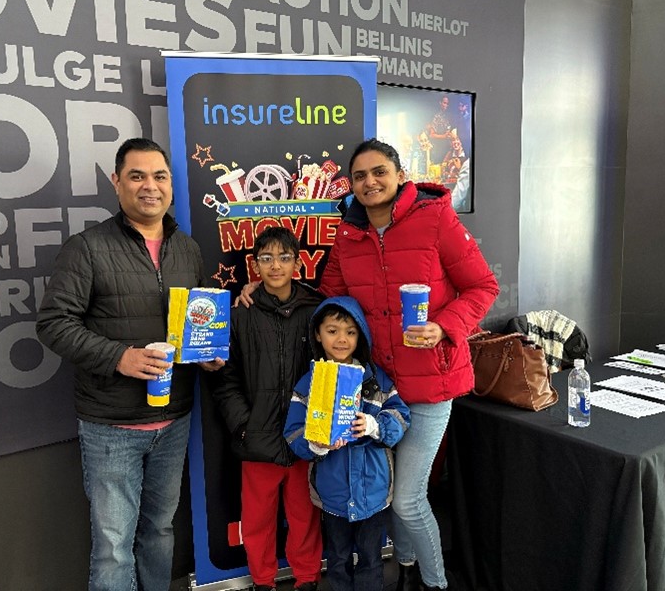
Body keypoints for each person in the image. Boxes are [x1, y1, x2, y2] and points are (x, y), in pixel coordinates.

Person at [241, 138, 499, 590]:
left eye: (379, 171)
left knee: (406, 499)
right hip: (374, 384)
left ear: (400, 175)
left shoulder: (435, 217)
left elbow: (483, 286)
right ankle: (403, 569)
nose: (369, 182)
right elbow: (329, 299)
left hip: (430, 383)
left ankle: (435, 582)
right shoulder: (348, 232)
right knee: (387, 495)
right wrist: (259, 293)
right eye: (359, 176)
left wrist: (443, 327)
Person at [36, 137, 224, 591]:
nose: (149, 187)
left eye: (159, 176)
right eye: (136, 176)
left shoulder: (188, 249)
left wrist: (208, 356)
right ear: (117, 182)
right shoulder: (87, 247)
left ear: (171, 185)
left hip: (174, 417)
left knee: (159, 531)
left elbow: (196, 321)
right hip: (111, 426)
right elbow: (53, 323)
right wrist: (119, 357)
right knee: (113, 545)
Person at [211, 227, 324, 591]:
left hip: (302, 436)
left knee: (304, 515)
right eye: (266, 258)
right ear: (254, 264)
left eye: (284, 257)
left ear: (298, 263)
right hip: (256, 436)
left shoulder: (315, 309)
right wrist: (243, 424)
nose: (275, 266)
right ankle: (263, 581)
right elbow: (225, 378)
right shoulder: (241, 311)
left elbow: (330, 368)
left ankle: (306, 578)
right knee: (257, 518)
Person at [284, 296, 410, 591]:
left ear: (361, 335)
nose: (342, 339)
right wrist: (315, 444)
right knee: (337, 559)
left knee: (371, 559)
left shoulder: (376, 380)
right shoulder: (309, 384)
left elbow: (401, 418)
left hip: (374, 491)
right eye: (332, 331)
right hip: (332, 494)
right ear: (318, 333)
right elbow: (292, 434)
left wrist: (375, 425)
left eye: (350, 332)